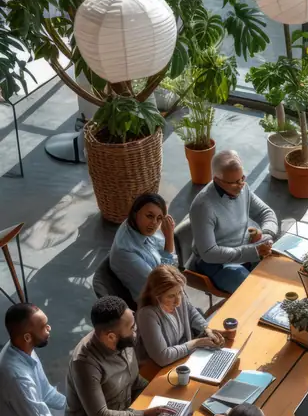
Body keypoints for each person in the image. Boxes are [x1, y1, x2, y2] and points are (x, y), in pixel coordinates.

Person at [65, 296, 175, 416]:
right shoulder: (84, 363)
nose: (136, 331)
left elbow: (135, 382)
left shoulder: (123, 342)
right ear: (111, 337)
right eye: (131, 328)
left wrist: (163, 394)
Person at [0, 303, 83, 416]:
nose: (49, 328)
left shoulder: (22, 349)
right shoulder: (17, 377)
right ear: (28, 337)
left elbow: (46, 392)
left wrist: (76, 406)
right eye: (44, 327)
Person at [189, 150, 278, 293]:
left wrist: (267, 235)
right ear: (217, 180)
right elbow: (209, 253)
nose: (241, 185)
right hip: (215, 264)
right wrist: (253, 251)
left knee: (279, 271)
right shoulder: (203, 206)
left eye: (242, 178)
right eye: (234, 182)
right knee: (252, 290)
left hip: (245, 251)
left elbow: (266, 213)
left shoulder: (243, 188)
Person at [136, 266, 225, 368]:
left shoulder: (179, 295)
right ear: (156, 295)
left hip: (181, 358)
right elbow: (163, 357)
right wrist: (196, 343)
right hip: (157, 369)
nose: (178, 301)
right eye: (171, 296)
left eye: (180, 292)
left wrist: (207, 329)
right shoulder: (147, 315)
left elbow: (191, 312)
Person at [109, 192, 177, 301]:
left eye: (159, 218)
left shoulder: (139, 227)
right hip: (155, 305)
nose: (154, 223)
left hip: (170, 293)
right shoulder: (126, 252)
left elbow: (172, 268)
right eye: (149, 216)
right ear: (135, 213)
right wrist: (169, 238)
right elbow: (162, 283)